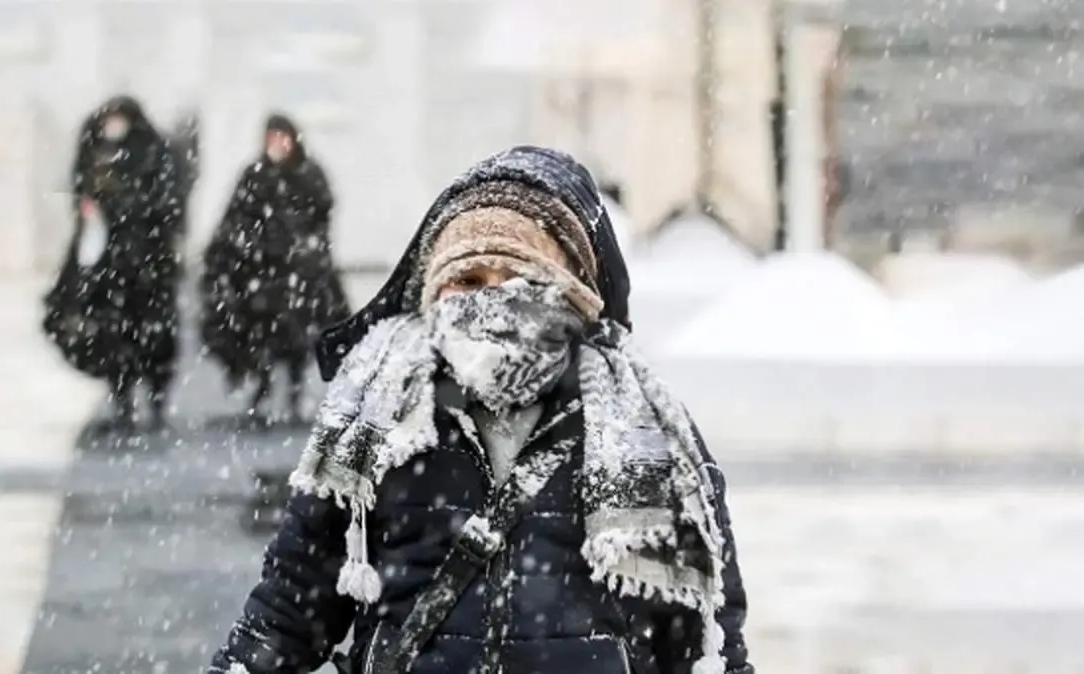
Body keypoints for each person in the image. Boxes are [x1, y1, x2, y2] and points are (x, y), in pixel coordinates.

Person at [207, 146, 754, 674]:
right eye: (467, 281)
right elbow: (289, 612)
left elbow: (706, 637)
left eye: (519, 279)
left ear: (573, 291)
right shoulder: (381, 410)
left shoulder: (644, 428)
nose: (490, 301)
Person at [41, 95, 190, 432]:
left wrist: (121, 210)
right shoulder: (99, 151)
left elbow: (164, 204)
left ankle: (154, 404)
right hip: (112, 267)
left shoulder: (153, 152)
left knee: (153, 340)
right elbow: (84, 192)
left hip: (148, 266)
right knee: (113, 338)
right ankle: (123, 402)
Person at [201, 113, 350, 424]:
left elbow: (321, 214)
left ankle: (293, 395)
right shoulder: (256, 175)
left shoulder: (309, 173)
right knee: (261, 337)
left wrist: (303, 248)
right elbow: (237, 217)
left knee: (297, 339)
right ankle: (262, 391)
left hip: (299, 275)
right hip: (263, 272)